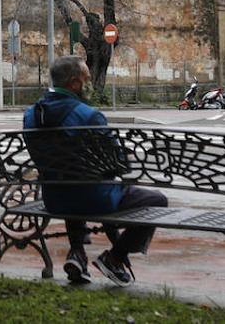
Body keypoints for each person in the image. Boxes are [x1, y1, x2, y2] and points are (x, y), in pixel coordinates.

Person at [24, 56, 169, 287]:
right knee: (157, 200)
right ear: (74, 83)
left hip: (54, 199)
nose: (89, 83)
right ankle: (116, 257)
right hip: (94, 199)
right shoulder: (89, 116)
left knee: (72, 183)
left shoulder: (31, 115)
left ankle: (77, 254)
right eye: (86, 79)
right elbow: (117, 163)